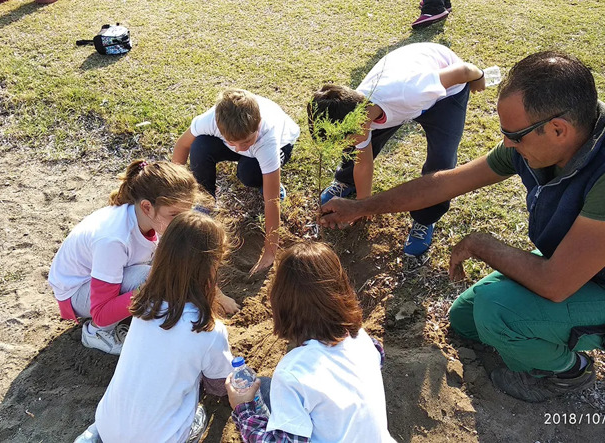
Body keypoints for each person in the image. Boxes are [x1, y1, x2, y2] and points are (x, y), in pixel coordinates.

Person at [320, 51, 605, 402]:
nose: (507, 143)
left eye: (515, 135)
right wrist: (361, 206)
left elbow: (554, 284)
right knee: (466, 318)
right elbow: (443, 183)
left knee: (498, 312)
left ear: (558, 129)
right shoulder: (542, 141)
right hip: (576, 267)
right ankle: (595, 333)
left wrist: (483, 244)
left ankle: (571, 370)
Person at [309, 42, 486, 259]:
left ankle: (425, 219)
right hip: (400, 86)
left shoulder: (409, 91)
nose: (345, 144)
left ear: (359, 122)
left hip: (447, 94)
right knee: (358, 149)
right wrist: (362, 207)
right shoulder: (356, 111)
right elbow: (363, 163)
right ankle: (346, 182)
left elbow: (464, 70)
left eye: (344, 138)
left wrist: (478, 77)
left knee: (442, 160)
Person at [74, 211, 235, 443]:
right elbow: (221, 385)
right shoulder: (209, 331)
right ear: (211, 270)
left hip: (107, 427)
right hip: (159, 438)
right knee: (197, 409)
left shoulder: (143, 307)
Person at [48, 160, 238, 355]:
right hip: (76, 295)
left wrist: (218, 295)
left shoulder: (156, 219)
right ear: (147, 207)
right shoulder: (113, 240)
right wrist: (151, 289)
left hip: (111, 276)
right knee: (151, 278)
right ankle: (97, 333)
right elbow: (101, 312)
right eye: (174, 214)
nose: (181, 222)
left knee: (161, 275)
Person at [226, 242, 396, 442]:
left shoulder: (292, 373)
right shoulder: (362, 338)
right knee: (264, 387)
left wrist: (244, 409)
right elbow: (379, 356)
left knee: (262, 391)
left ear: (281, 303)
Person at [173, 88, 300, 275]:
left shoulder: (267, 139)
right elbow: (182, 145)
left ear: (257, 126)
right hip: (243, 138)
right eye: (233, 142)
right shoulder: (210, 120)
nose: (240, 149)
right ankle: (204, 206)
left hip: (281, 145)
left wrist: (270, 253)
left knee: (248, 173)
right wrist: (175, 193)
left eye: (246, 141)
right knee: (200, 146)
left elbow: (271, 201)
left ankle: (268, 180)